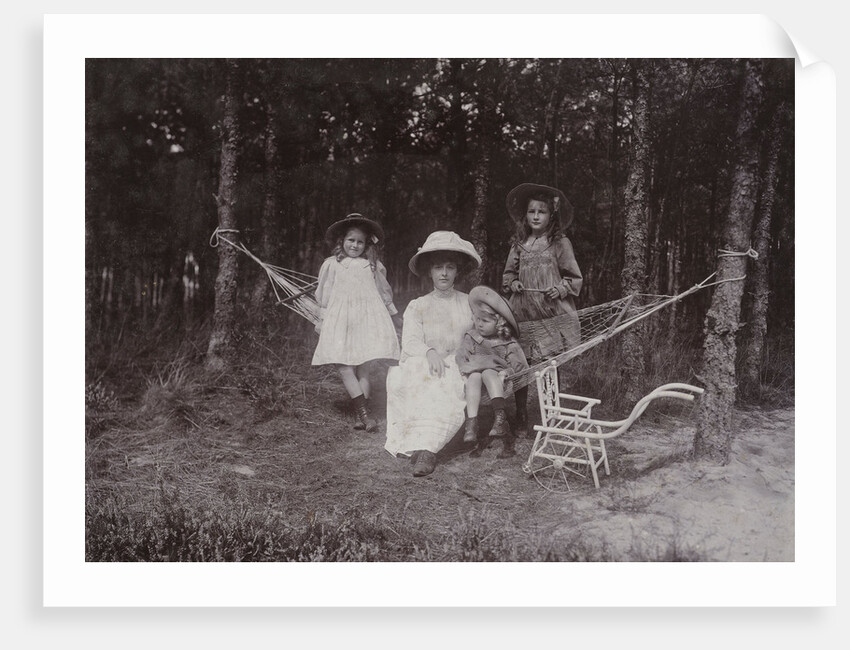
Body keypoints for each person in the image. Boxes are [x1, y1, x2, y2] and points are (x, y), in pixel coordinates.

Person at [384, 231, 482, 477]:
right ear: (430, 271)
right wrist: (429, 352)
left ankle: (427, 450)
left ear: (457, 271)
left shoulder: (468, 302)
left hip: (458, 363)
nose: (444, 274)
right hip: (427, 361)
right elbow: (410, 341)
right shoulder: (418, 305)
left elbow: (478, 335)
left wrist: (462, 356)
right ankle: (417, 442)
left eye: (450, 267)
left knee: (445, 383)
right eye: (438, 267)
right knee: (415, 376)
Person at [502, 183, 583, 436]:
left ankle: (552, 416)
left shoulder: (560, 243)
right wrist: (513, 282)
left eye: (542, 212)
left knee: (549, 366)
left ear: (551, 216)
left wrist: (560, 289)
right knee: (521, 364)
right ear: (525, 216)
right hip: (523, 312)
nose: (536, 216)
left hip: (550, 313)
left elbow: (574, 277)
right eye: (531, 212)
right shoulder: (519, 244)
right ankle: (521, 417)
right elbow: (508, 274)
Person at [312, 213, 401, 432]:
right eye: (351, 240)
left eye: (360, 241)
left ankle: (362, 416)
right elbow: (324, 295)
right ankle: (363, 413)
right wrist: (321, 320)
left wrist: (393, 316)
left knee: (364, 368)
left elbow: (383, 292)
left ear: (367, 244)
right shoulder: (332, 265)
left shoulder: (371, 266)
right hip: (341, 320)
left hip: (367, 320)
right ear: (341, 241)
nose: (355, 245)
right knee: (343, 366)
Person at [455, 285, 529, 459]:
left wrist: (506, 373)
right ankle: (471, 424)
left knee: (488, 372)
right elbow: (461, 355)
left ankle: (500, 417)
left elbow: (521, 365)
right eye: (477, 319)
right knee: (474, 375)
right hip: (475, 383)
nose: (479, 324)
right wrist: (463, 371)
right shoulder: (472, 337)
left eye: (485, 321)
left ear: (499, 322)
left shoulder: (507, 342)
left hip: (499, 382)